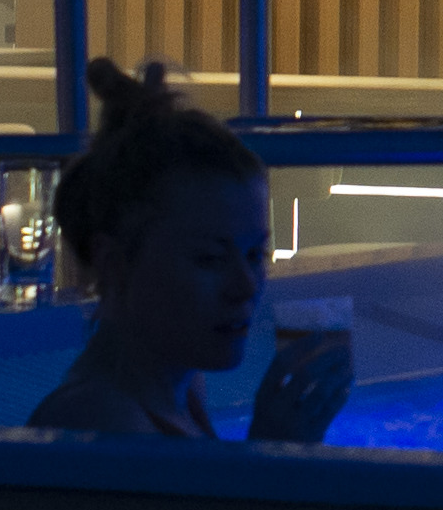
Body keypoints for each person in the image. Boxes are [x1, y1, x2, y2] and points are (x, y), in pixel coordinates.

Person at [25, 63, 352, 442]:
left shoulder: (183, 389)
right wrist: (271, 450)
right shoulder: (99, 422)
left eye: (254, 255)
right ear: (113, 263)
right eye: (211, 259)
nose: (246, 288)